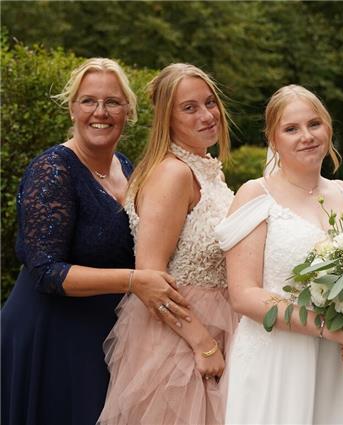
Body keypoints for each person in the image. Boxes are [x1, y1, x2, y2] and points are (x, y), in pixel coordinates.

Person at [0, 58, 188, 425]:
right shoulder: (52, 170)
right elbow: (46, 272)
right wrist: (134, 281)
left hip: (102, 336)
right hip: (48, 335)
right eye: (88, 101)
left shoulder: (127, 167)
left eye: (112, 102)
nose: (100, 112)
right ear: (72, 108)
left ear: (128, 111)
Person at [216, 84, 343, 424]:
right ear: (273, 139)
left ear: (328, 128)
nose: (306, 136)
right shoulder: (255, 195)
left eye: (314, 124)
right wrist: (327, 328)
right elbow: (243, 295)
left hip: (336, 363)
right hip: (277, 357)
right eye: (291, 129)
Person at [96, 63, 239, 424]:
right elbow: (149, 276)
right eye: (189, 108)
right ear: (167, 119)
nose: (207, 115)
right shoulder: (173, 173)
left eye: (210, 102)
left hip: (221, 325)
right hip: (180, 340)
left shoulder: (205, 167)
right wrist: (203, 344)